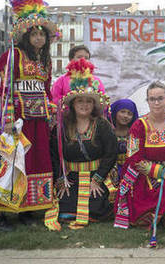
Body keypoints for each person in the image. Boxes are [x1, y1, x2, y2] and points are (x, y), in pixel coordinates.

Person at [0, 0, 61, 231]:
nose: (38, 39)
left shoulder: (44, 61)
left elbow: (46, 91)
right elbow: (5, 89)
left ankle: (26, 209)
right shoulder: (12, 56)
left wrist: (52, 111)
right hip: (17, 122)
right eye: (34, 34)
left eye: (42, 35)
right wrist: (7, 120)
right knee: (10, 164)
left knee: (34, 165)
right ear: (25, 36)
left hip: (38, 122)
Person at [46, 58, 116, 230]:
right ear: (72, 104)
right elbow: (54, 155)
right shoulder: (61, 127)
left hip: (96, 176)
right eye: (80, 101)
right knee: (66, 211)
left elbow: (111, 153)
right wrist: (61, 179)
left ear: (94, 105)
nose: (84, 105)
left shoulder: (102, 125)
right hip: (71, 177)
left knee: (98, 209)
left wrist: (98, 178)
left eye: (89, 101)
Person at [114, 82, 165, 232]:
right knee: (142, 211)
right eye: (152, 99)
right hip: (145, 172)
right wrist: (162, 172)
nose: (156, 103)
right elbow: (134, 158)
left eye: (160, 98)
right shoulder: (139, 125)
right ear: (147, 101)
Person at [110, 99, 139, 180]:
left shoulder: (135, 133)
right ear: (115, 112)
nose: (126, 116)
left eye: (129, 113)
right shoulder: (107, 132)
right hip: (109, 174)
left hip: (131, 173)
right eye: (122, 111)